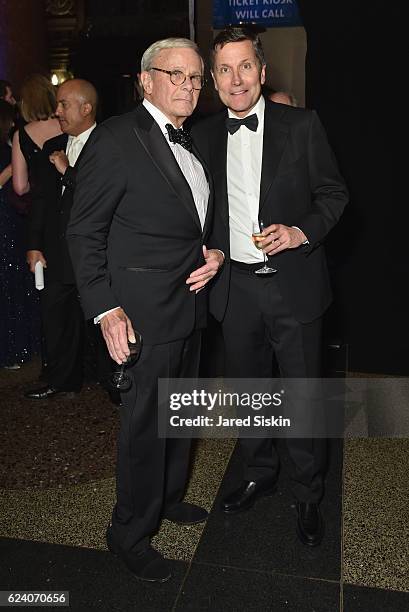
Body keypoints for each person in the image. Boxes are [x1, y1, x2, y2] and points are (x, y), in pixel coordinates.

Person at [66, 38, 224, 582]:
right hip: (140, 314)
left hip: (191, 305)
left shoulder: (197, 137)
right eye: (175, 75)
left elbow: (196, 217)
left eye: (196, 77)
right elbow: (84, 232)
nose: (188, 86)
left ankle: (167, 498)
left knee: (181, 416)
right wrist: (105, 308)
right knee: (144, 429)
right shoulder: (114, 138)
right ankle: (129, 532)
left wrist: (216, 251)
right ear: (145, 80)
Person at [192, 27, 348, 547]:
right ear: (214, 81)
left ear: (262, 71)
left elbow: (333, 194)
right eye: (225, 70)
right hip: (234, 289)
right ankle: (259, 470)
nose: (236, 79)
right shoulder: (204, 136)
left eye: (245, 67)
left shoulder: (302, 126)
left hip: (293, 285)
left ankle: (308, 493)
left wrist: (299, 231)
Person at [23, 79, 100, 400]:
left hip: (96, 251)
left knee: (100, 318)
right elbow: (40, 201)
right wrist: (33, 244)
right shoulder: (52, 145)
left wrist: (68, 171)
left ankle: (113, 383)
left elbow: (99, 197)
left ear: (86, 108)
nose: (57, 111)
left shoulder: (109, 145)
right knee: (56, 318)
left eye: (63, 105)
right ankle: (61, 380)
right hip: (56, 250)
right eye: (57, 104)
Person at [0, 100, 40, 368]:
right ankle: (10, 350)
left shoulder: (9, 143)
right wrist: (12, 169)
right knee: (8, 281)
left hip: (13, 217)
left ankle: (20, 345)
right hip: (4, 219)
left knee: (15, 281)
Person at [12, 74, 62, 198]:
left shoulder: (20, 135)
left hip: (39, 208)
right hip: (68, 202)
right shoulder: (67, 126)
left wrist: (36, 186)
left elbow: (20, 187)